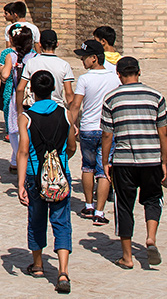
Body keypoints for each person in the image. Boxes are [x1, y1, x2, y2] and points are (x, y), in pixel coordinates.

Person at [100, 56, 167, 269]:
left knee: (124, 205)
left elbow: (107, 135)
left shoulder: (111, 99)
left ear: (118, 75)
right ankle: (150, 238)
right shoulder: (156, 97)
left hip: (124, 161)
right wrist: (164, 160)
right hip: (151, 159)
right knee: (153, 198)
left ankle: (127, 257)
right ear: (139, 72)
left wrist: (105, 161)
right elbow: (163, 132)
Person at [15, 69, 76, 294]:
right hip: (60, 174)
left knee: (36, 218)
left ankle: (38, 264)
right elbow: (71, 146)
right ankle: (63, 271)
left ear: (32, 89)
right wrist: (60, 162)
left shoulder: (26, 117)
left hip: (35, 174)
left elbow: (23, 151)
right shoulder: (66, 114)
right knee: (62, 221)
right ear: (53, 89)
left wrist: (20, 183)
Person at [71, 39, 118, 225]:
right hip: (108, 129)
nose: (82, 60)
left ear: (94, 58)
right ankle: (100, 211)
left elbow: (76, 105)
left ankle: (89, 205)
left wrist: (72, 124)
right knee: (104, 168)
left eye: (84, 57)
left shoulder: (85, 79)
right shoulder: (114, 78)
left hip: (88, 129)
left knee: (88, 167)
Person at [1, 26, 35, 173]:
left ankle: (17, 157)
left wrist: (2, 69)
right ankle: (24, 158)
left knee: (14, 129)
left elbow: (5, 75)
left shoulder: (11, 56)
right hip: (32, 96)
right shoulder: (34, 57)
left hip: (17, 97)